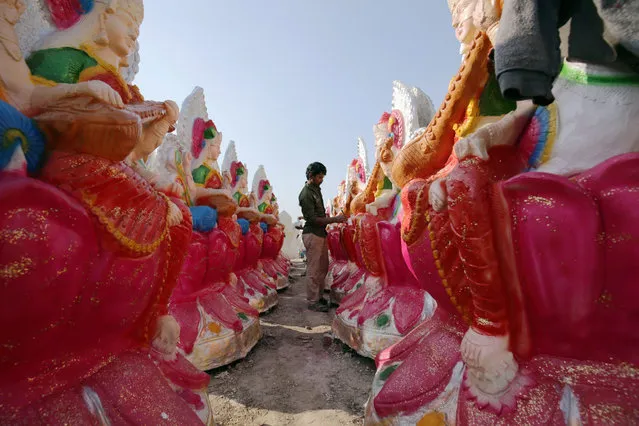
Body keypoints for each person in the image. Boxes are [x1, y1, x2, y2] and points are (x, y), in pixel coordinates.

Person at [298, 162, 347, 312]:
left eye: (323, 177)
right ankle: (313, 301)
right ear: (311, 176)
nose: (322, 180)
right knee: (314, 269)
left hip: (320, 233)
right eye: (319, 177)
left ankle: (319, 297)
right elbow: (313, 219)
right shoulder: (306, 193)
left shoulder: (316, 190)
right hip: (312, 233)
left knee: (323, 267)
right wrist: (335, 219)